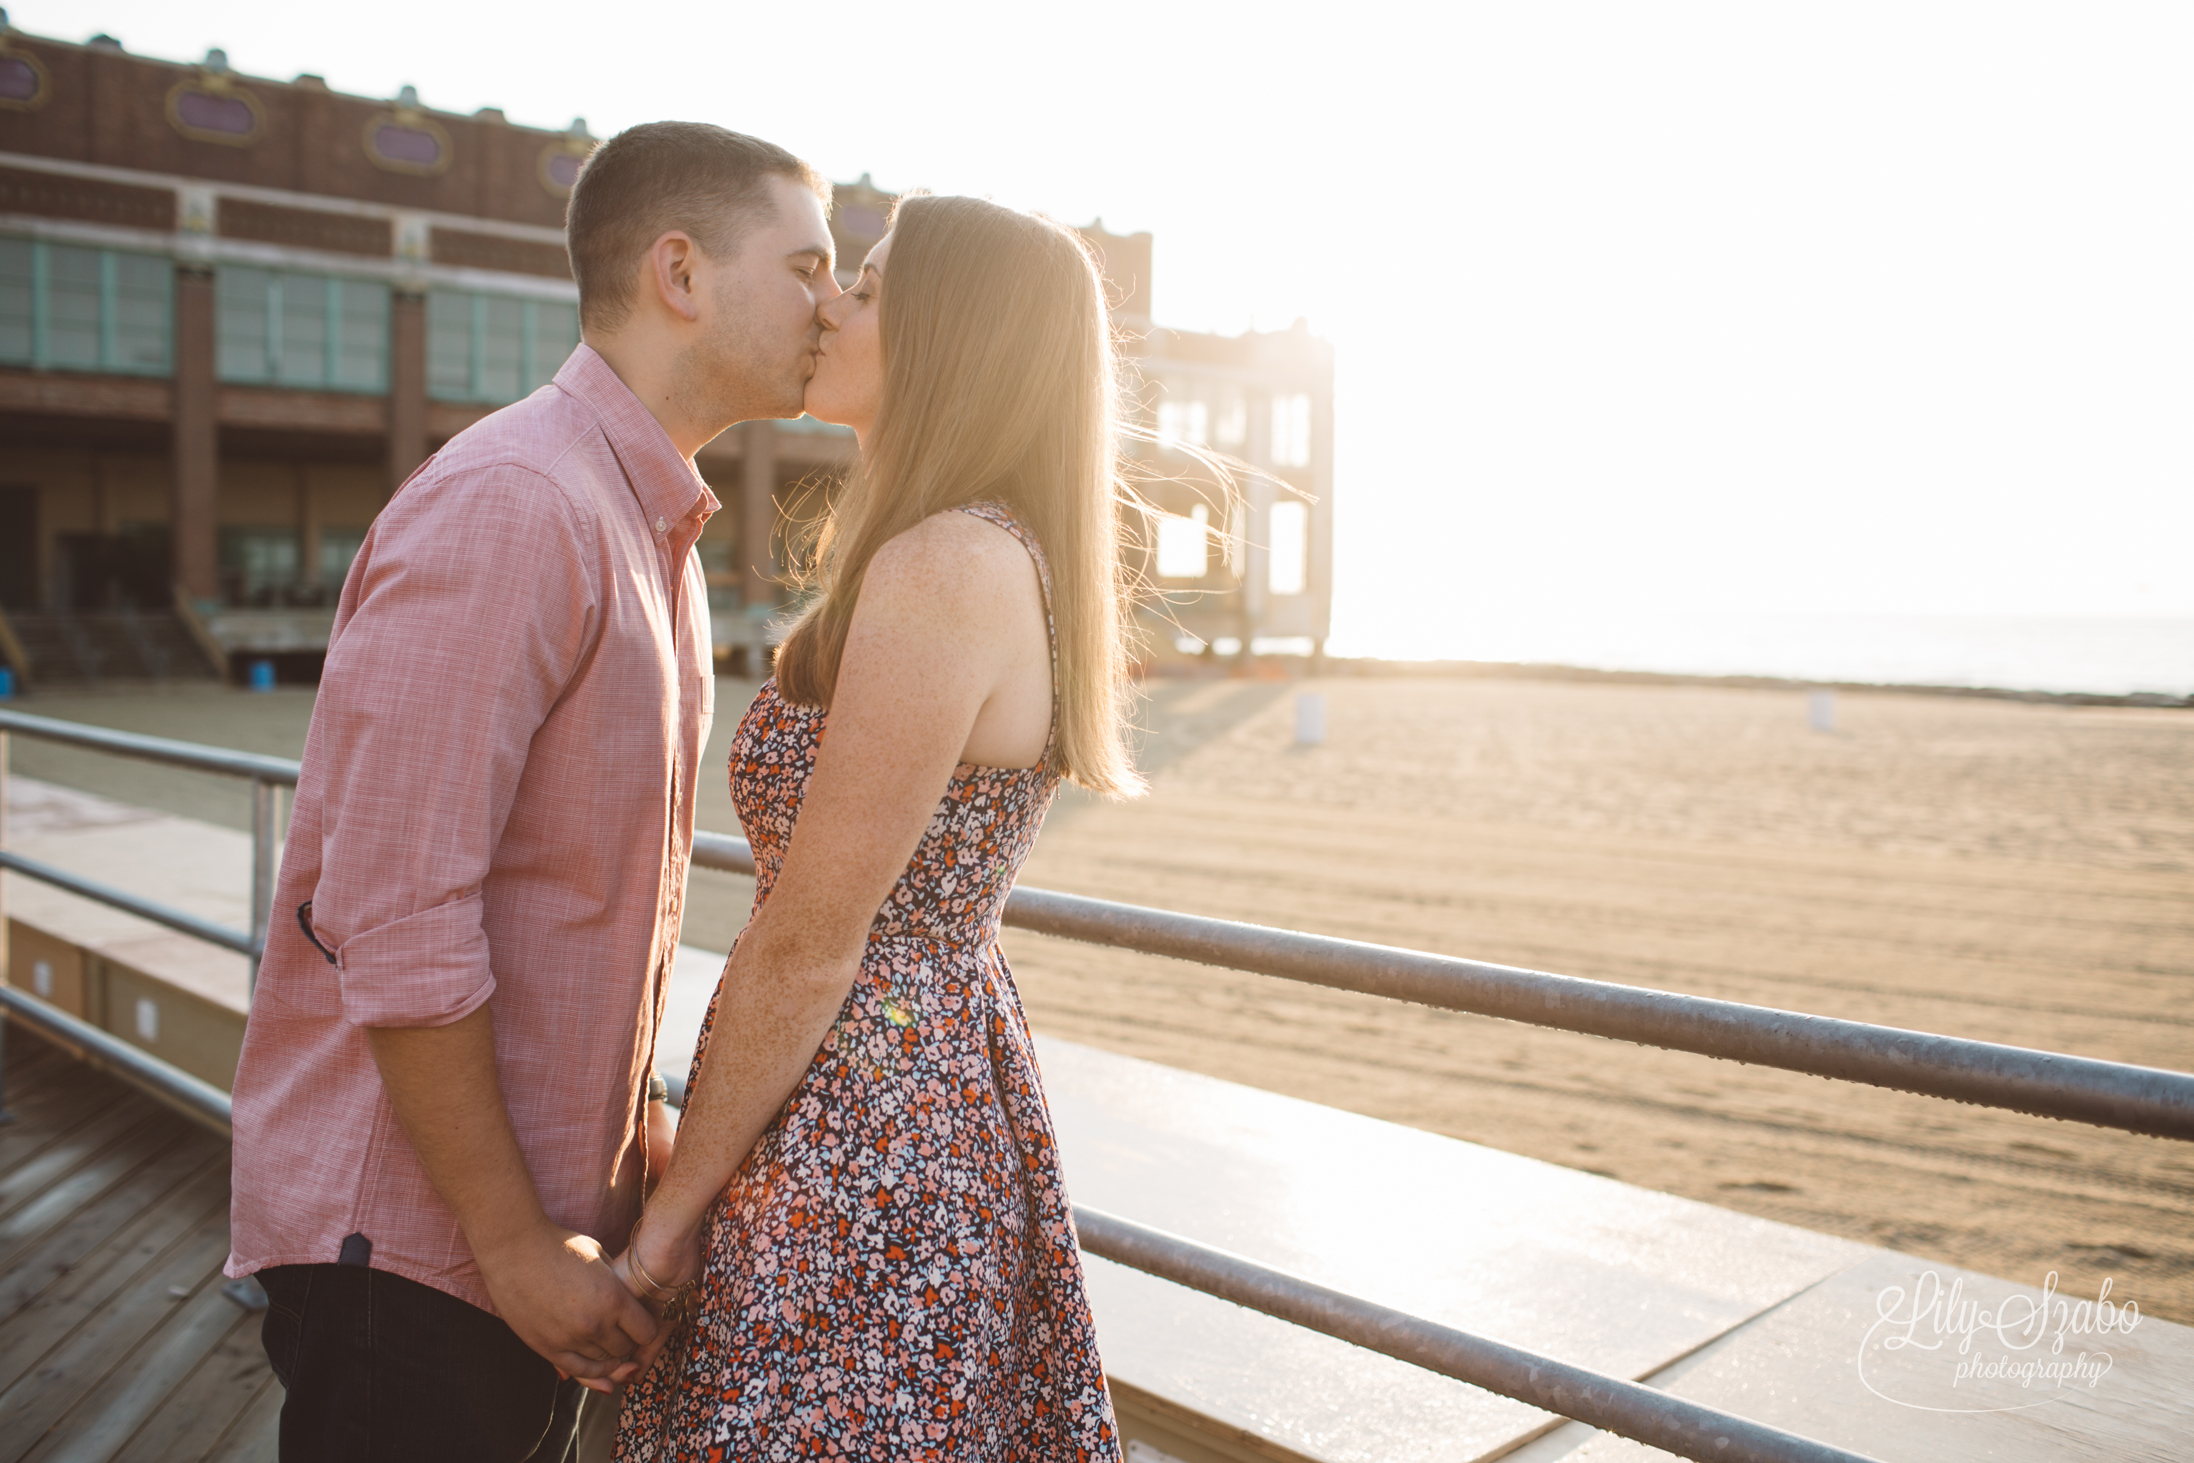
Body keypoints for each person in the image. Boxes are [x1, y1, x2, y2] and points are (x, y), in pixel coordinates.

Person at [223, 123, 843, 1463]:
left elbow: (567, 904)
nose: (832, 304)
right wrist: (511, 1241)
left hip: (520, 1242)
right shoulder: (518, 502)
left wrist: (637, 1129)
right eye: (805, 266)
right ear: (680, 272)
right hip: (421, 1253)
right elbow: (390, 907)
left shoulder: (642, 524)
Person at [609, 195, 1133, 1461]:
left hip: (863, 1126)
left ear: (952, 337)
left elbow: (811, 941)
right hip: (912, 1087)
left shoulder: (946, 564)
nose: (832, 300)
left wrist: (670, 1219)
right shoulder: (980, 548)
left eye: (873, 285)